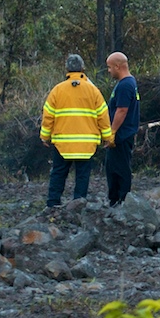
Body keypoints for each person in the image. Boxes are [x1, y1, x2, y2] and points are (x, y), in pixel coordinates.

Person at [40, 54, 113, 207]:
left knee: (58, 173)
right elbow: (103, 116)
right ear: (83, 68)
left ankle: (53, 204)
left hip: (62, 144)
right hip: (86, 144)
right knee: (82, 175)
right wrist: (108, 138)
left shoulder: (57, 90)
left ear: (67, 69)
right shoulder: (93, 91)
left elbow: (48, 116)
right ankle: (78, 204)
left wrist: (45, 137)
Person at [105, 51, 140, 207]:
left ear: (117, 66)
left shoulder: (125, 85)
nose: (108, 70)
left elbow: (122, 110)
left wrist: (112, 132)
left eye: (109, 67)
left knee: (120, 167)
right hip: (123, 133)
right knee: (112, 166)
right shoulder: (127, 83)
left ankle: (122, 199)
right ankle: (115, 198)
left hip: (122, 134)